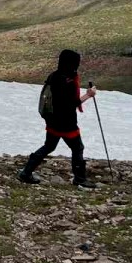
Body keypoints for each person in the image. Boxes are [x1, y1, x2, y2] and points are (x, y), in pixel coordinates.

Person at [18, 49, 97, 188]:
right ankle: (79, 179)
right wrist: (89, 95)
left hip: (52, 120)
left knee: (49, 146)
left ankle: (26, 172)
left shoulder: (54, 76)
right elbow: (71, 104)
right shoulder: (68, 80)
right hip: (67, 123)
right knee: (77, 148)